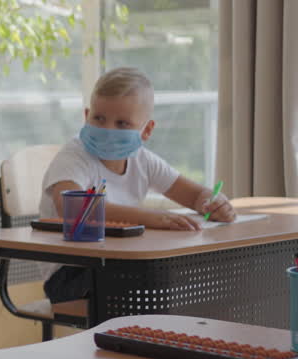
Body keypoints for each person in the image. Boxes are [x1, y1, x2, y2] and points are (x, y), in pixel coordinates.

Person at [39, 66, 236, 303]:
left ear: (147, 130)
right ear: (86, 116)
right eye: (99, 118)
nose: (107, 129)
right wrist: (152, 217)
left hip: (119, 261)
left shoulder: (142, 160)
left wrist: (214, 203)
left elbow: (195, 196)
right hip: (72, 273)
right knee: (156, 281)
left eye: (122, 123)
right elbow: (74, 209)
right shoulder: (74, 157)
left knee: (181, 275)